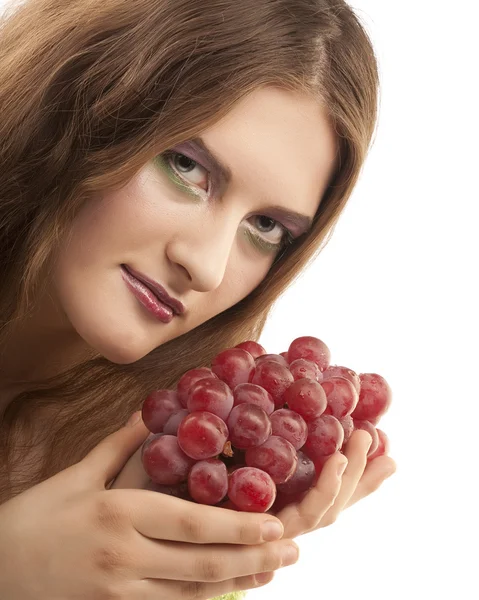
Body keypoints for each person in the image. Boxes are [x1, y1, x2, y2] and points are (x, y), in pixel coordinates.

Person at [0, 0, 396, 598]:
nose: (207, 267)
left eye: (265, 228)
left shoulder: (180, 462)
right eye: (187, 167)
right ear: (75, 105)